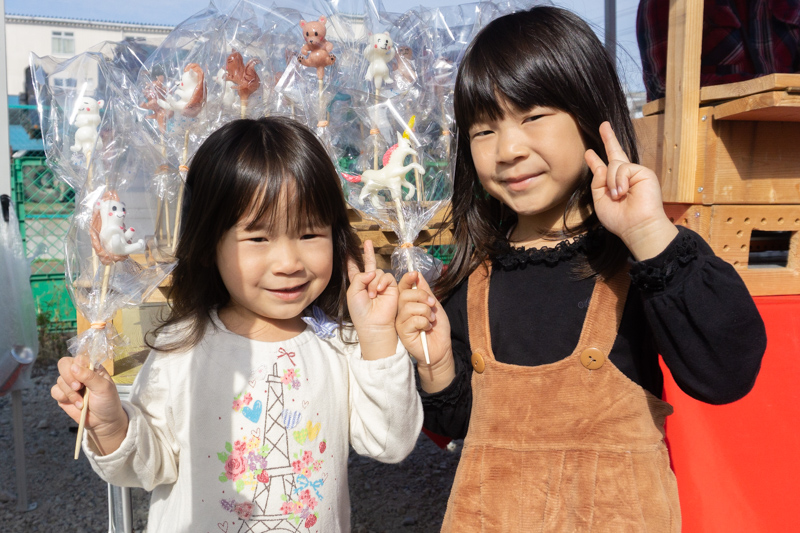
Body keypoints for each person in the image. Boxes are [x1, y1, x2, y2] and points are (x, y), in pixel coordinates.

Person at [395, 7, 766, 532]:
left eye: (532, 117)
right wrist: (434, 367)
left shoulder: (641, 259)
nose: (508, 149)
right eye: (484, 129)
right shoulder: (473, 276)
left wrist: (649, 234)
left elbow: (725, 373)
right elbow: (460, 425)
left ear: (589, 113)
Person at [51, 116, 423, 532]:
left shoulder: (340, 344)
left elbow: (390, 442)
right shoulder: (182, 347)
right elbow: (148, 466)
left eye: (309, 234)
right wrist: (110, 425)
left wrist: (377, 336)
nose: (289, 263)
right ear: (208, 244)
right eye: (258, 238)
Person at [637, 0, 800, 101]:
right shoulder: (671, 4)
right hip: (707, 140)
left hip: (788, 135)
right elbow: (665, 86)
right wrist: (770, 86)